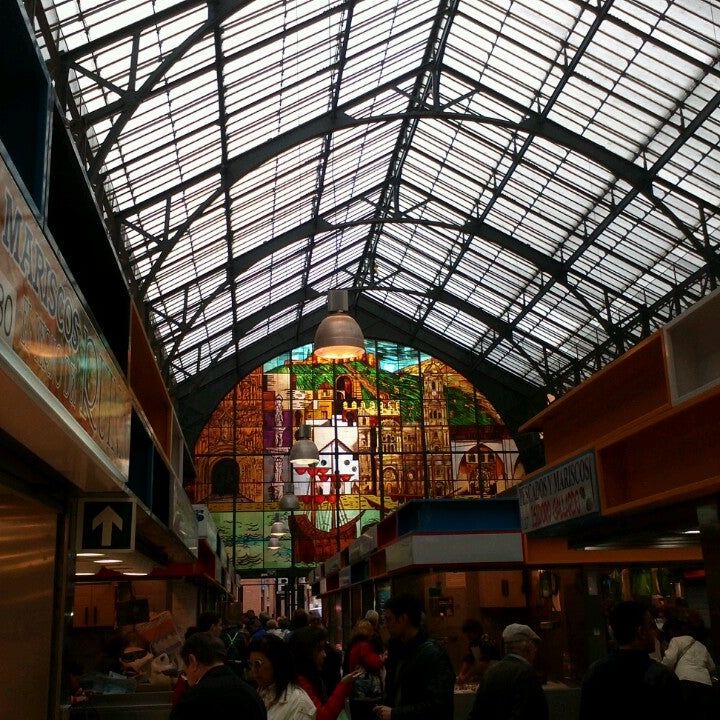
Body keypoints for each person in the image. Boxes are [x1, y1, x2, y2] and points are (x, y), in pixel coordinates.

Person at [580, 600, 683, 720]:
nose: (655, 632)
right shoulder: (661, 676)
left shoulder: (594, 673)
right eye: (650, 626)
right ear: (641, 632)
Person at [374, 593, 455, 720]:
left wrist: (395, 713)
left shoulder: (432, 654)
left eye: (388, 619)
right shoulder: (397, 650)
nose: (385, 625)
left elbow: (439, 705)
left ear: (403, 619)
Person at [169, 631, 266, 720]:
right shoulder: (252, 695)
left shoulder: (191, 700)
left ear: (192, 661)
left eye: (185, 671)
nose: (186, 677)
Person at [467, 623, 547, 720]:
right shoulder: (526, 673)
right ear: (527, 647)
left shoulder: (490, 672)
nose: (536, 650)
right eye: (534, 645)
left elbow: (476, 714)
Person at [288, 625, 362, 720]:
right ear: (306, 653)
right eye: (319, 650)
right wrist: (343, 685)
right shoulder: (301, 683)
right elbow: (323, 716)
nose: (324, 655)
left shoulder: (309, 677)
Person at [249, 633, 316, 720]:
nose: (253, 670)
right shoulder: (259, 692)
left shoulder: (299, 704)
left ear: (276, 663)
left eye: (258, 664)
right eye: (251, 665)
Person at [661, 616, 716, 720]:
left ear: (671, 631)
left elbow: (668, 661)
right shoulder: (700, 645)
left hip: (685, 682)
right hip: (705, 685)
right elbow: (712, 666)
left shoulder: (676, 640)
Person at [345, 619, 385, 720]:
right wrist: (382, 657)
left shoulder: (354, 645)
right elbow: (375, 663)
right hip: (366, 694)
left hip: (356, 691)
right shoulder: (364, 646)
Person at [457, 618, 499, 685]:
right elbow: (469, 659)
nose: (467, 635)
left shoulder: (486, 641)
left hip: (494, 675)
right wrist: (461, 674)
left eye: (469, 632)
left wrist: (466, 677)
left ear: (477, 631)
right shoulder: (473, 643)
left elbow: (482, 664)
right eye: (466, 633)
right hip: (484, 674)